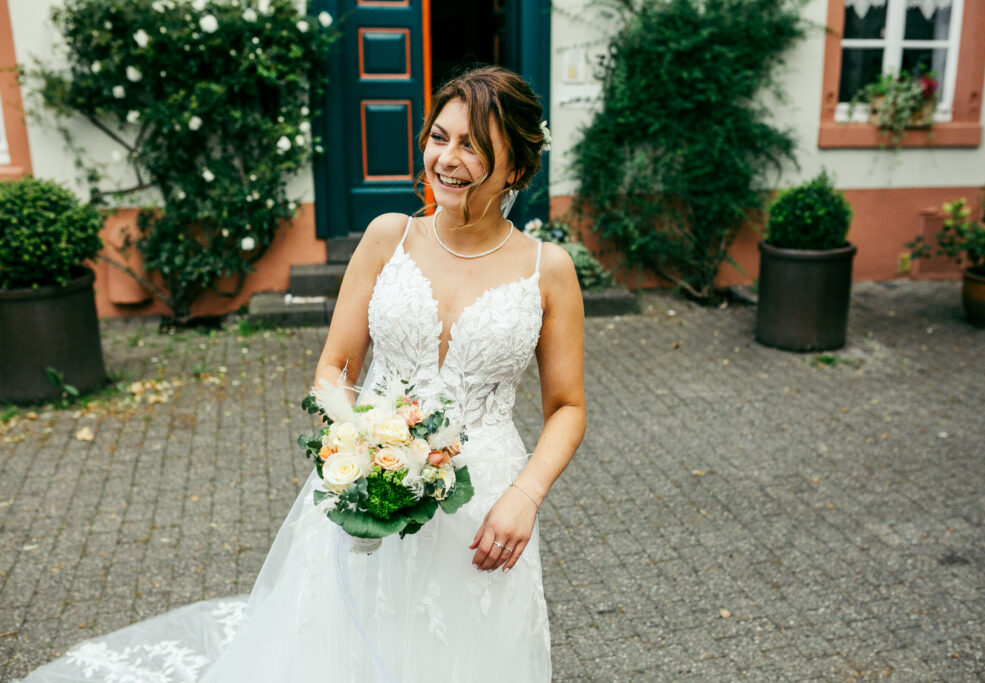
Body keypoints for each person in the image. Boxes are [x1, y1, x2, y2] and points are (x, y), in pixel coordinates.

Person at [18, 65, 585, 682]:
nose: (445, 159)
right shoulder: (388, 238)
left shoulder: (547, 269)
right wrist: (354, 452)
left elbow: (567, 406)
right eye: (439, 137)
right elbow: (336, 367)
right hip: (371, 487)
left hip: (486, 508)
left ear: (517, 169)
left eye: (471, 146)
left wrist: (525, 496)